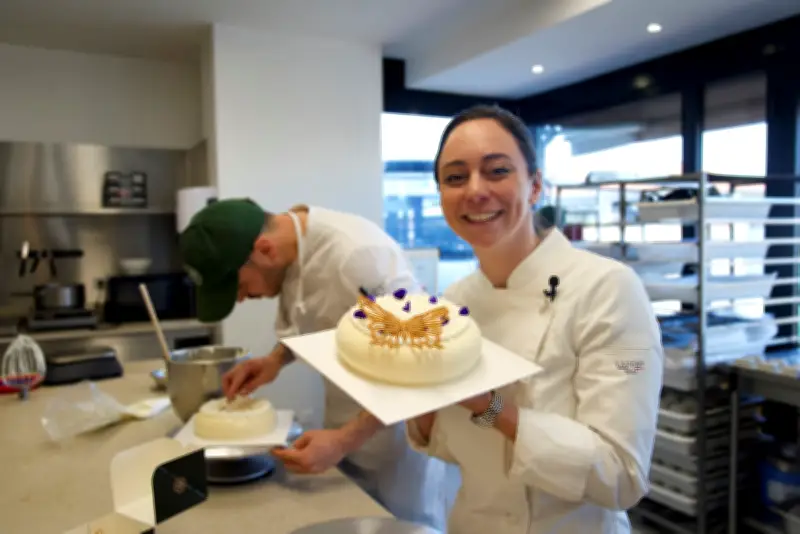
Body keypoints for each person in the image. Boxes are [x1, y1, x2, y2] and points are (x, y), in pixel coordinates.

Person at [406, 105, 664, 534]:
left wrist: (490, 408)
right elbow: (451, 449)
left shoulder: (612, 289)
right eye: (455, 177)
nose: (474, 191)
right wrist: (414, 392)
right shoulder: (452, 303)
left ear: (535, 186)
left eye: (497, 171)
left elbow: (622, 474)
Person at [179, 199, 456, 531]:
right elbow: (319, 318)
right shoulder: (293, 248)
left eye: (238, 287)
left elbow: (418, 364)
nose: (240, 299)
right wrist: (275, 361)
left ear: (264, 250)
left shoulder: (359, 257)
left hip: (398, 446)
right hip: (343, 434)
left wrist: (343, 440)